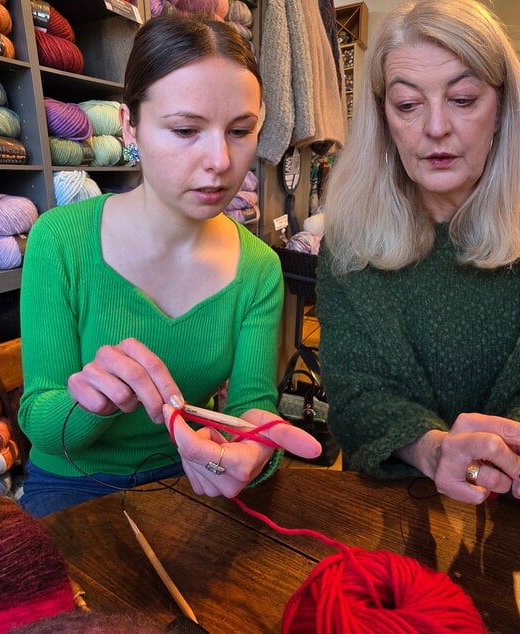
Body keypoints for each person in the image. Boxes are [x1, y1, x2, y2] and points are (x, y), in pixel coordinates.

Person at [316, 0, 520, 531]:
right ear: (384, 119)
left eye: (463, 98)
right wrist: (431, 450)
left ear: (502, 107)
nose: (436, 127)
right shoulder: (350, 239)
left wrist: (514, 449)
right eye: (407, 105)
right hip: (391, 511)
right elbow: (356, 395)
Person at [18, 15, 321, 517]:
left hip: (194, 475)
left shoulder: (259, 268)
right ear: (129, 125)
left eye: (241, 130)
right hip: (74, 484)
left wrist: (251, 451)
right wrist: (92, 400)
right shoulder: (61, 240)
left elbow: (253, 406)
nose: (220, 161)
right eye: (185, 130)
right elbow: (42, 423)